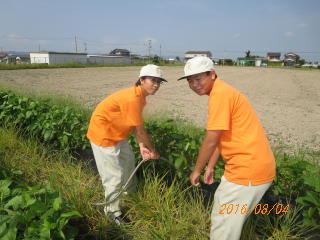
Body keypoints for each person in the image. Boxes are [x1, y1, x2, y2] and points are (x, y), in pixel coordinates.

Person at [178, 56, 276, 240]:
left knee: (223, 229)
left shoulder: (220, 95)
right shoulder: (222, 92)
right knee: (225, 218)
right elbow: (222, 135)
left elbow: (212, 138)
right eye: (190, 81)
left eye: (198, 79)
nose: (194, 84)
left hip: (247, 171)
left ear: (212, 74)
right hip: (250, 167)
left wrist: (197, 170)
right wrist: (211, 166)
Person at [87, 64, 165, 224]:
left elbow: (135, 127)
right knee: (113, 176)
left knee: (128, 162)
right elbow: (141, 131)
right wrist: (153, 150)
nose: (156, 85)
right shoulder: (133, 98)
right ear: (141, 80)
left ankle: (130, 197)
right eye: (153, 80)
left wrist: (142, 146)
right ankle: (112, 212)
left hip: (118, 134)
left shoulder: (140, 97)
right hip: (104, 136)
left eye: (159, 81)